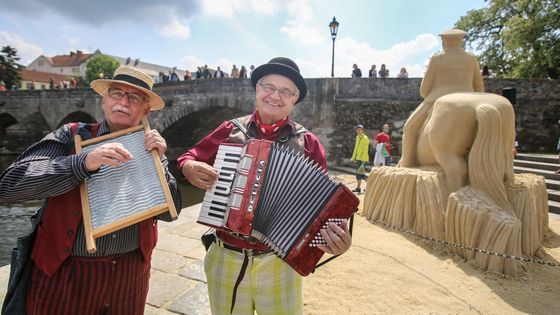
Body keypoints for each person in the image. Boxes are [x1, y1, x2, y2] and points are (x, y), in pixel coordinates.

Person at [0, 66, 182, 314]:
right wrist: (81, 163)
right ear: (104, 100)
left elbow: (171, 212)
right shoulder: (70, 135)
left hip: (130, 275)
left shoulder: (149, 147)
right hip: (67, 273)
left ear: (145, 109)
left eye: (134, 97)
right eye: (116, 93)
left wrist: (160, 164)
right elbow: (10, 185)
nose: (123, 102)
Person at [178, 57, 352, 314]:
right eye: (268, 87)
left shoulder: (310, 144)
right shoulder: (229, 130)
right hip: (226, 255)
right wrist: (187, 167)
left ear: (295, 100)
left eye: (285, 91)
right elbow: (188, 157)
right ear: (257, 90)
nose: (275, 96)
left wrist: (338, 239)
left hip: (279, 262)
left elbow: (326, 206)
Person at [400, 29, 484, 167]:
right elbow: (479, 86)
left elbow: (424, 90)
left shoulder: (436, 59)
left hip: (437, 98)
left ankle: (408, 162)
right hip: (470, 98)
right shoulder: (471, 58)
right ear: (460, 40)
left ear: (444, 41)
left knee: (410, 127)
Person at [350, 124, 369, 193]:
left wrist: (362, 159)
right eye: (357, 129)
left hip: (363, 159)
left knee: (360, 174)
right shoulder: (358, 137)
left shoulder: (365, 138)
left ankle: (369, 186)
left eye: (360, 129)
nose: (358, 131)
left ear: (362, 130)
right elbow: (356, 148)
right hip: (359, 158)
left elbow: (364, 150)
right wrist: (353, 157)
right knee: (359, 173)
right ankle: (358, 188)